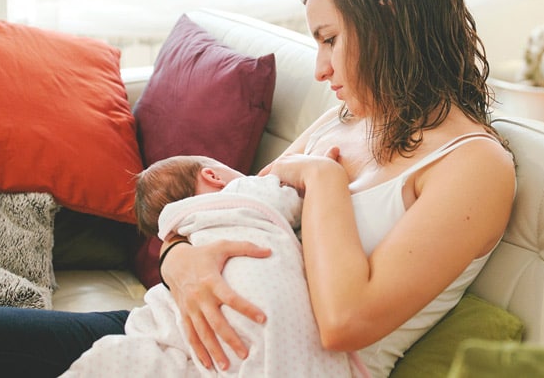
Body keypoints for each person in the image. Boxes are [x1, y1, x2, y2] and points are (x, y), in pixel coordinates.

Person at [0, 0, 515, 378]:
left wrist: (322, 180)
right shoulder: (346, 118)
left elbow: (346, 321)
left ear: (389, 21)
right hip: (181, 327)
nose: (321, 69)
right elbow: (241, 206)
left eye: (330, 39)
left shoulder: (473, 167)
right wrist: (179, 259)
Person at [62, 155, 368, 377]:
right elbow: (292, 200)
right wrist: (312, 181)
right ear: (213, 176)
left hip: (184, 320)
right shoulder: (245, 194)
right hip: (217, 304)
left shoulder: (189, 222)